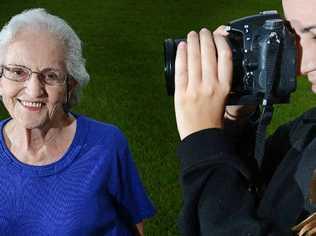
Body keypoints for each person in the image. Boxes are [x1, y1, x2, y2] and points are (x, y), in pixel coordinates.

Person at [0, 8, 155, 235]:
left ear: (69, 87)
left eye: (51, 75)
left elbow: (135, 228)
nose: (34, 91)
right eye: (17, 72)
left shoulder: (106, 145)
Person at [174, 0, 316, 235]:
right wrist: (234, 121)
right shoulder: (305, 133)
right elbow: (254, 199)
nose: (301, 64)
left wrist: (204, 147)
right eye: (294, 34)